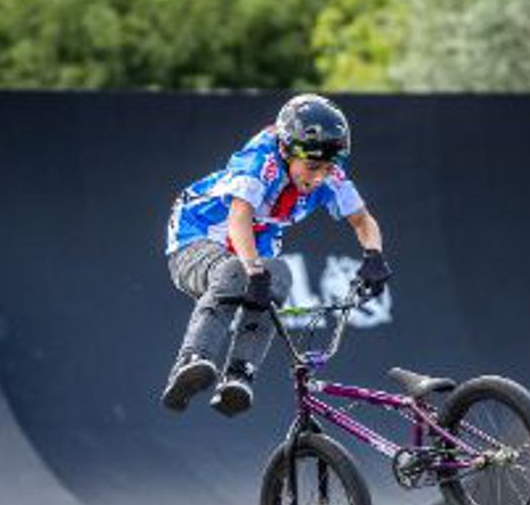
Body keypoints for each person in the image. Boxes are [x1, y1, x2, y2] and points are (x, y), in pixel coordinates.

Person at [160, 93, 391, 416]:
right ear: (285, 151)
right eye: (312, 167)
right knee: (239, 273)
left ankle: (239, 376)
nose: (319, 178)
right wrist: (253, 271)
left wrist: (374, 257)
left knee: (279, 275)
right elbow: (238, 218)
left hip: (250, 244)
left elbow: (362, 220)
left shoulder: (328, 174)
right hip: (195, 235)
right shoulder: (260, 161)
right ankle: (191, 360)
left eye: (328, 168)